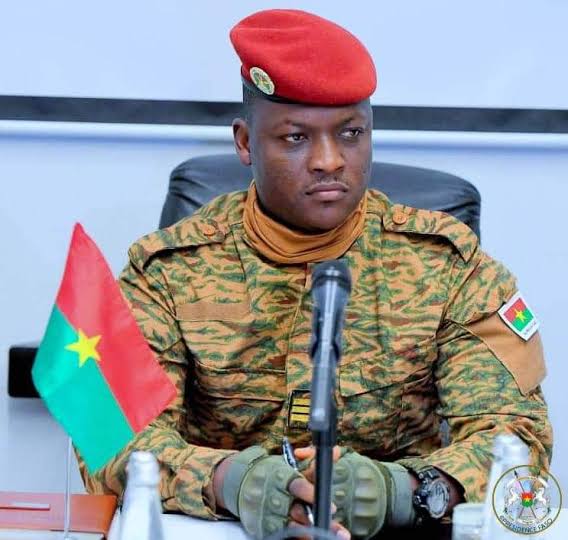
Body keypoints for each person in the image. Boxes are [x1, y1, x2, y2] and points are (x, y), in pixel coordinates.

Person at [80, 9, 552, 539]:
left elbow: (517, 439)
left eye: (351, 133)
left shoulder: (448, 266)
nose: (329, 160)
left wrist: (403, 491)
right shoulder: (165, 271)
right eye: (295, 138)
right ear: (245, 142)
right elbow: (106, 436)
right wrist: (227, 480)